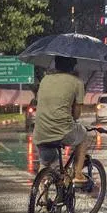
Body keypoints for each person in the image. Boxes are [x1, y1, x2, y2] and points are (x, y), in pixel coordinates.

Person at [32, 56, 88, 184]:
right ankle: (78, 174)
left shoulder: (45, 80)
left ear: (56, 64)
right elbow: (77, 115)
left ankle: (43, 199)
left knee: (46, 163)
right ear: (73, 66)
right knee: (83, 135)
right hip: (62, 131)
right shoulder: (77, 82)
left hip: (40, 132)